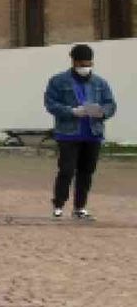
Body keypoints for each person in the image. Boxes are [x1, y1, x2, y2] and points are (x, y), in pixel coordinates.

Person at [44, 44, 117, 220]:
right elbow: (50, 103)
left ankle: (80, 207)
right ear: (74, 62)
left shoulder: (100, 83)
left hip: (92, 133)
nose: (85, 67)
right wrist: (72, 111)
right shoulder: (58, 81)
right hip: (68, 134)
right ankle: (59, 205)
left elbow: (111, 104)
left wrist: (102, 112)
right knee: (66, 170)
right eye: (82, 64)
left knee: (87, 172)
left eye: (88, 63)